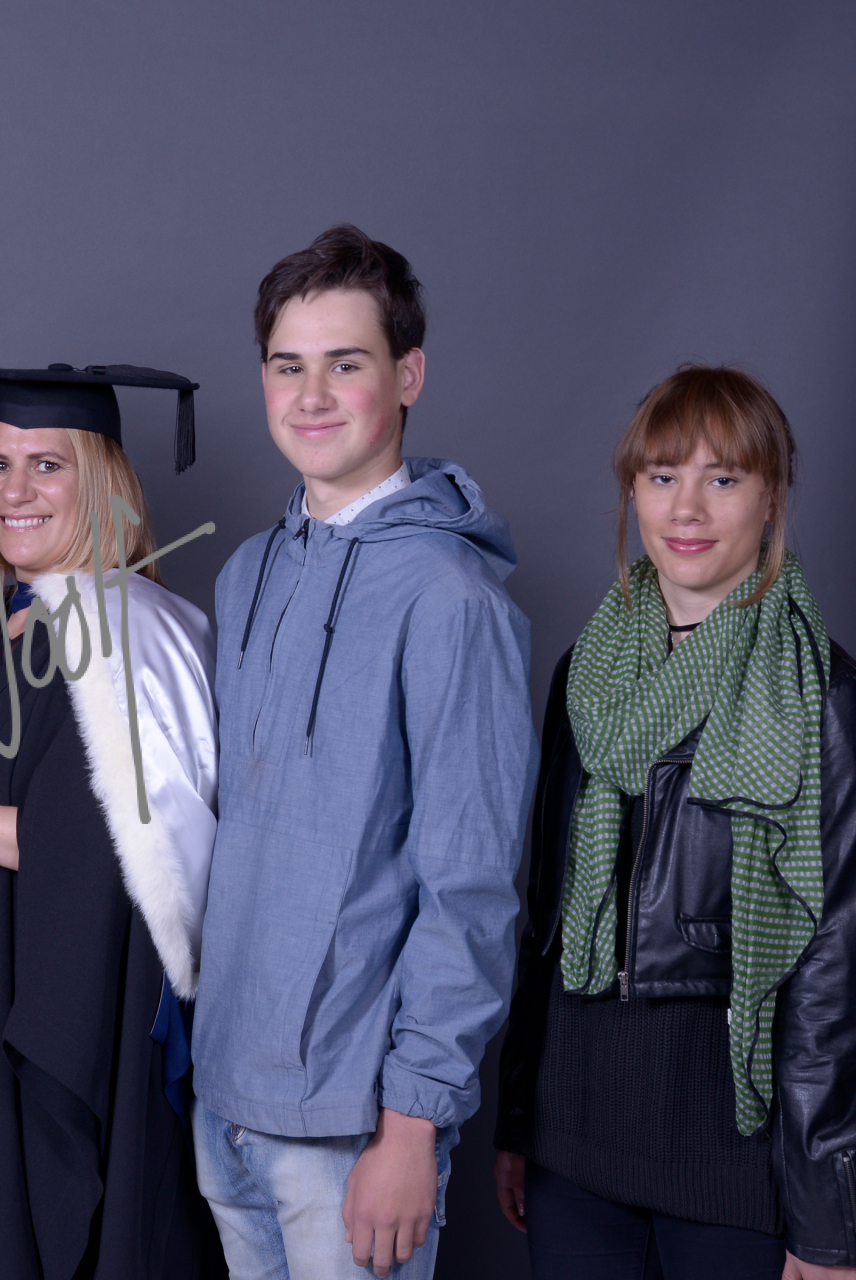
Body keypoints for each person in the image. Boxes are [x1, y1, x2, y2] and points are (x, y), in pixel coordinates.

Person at [189, 224, 537, 1280]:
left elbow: (471, 886)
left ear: (407, 375)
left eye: (345, 364)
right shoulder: (249, 572)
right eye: (287, 366)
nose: (311, 395)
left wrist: (413, 1123)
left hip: (354, 1124)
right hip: (224, 1095)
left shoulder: (451, 600)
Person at [0, 361, 227, 1278]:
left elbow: (118, 849)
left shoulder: (127, 635)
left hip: (44, 1026)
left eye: (47, 466)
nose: (14, 491)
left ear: (101, 485)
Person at [492, 366, 856, 1280]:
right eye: (662, 476)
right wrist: (520, 1121)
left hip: (736, 1164)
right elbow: (546, 916)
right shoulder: (584, 674)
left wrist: (827, 1218)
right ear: (632, 491)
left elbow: (834, 974)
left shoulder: (824, 696)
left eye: (723, 478)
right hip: (575, 1147)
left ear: (772, 497)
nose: (687, 508)